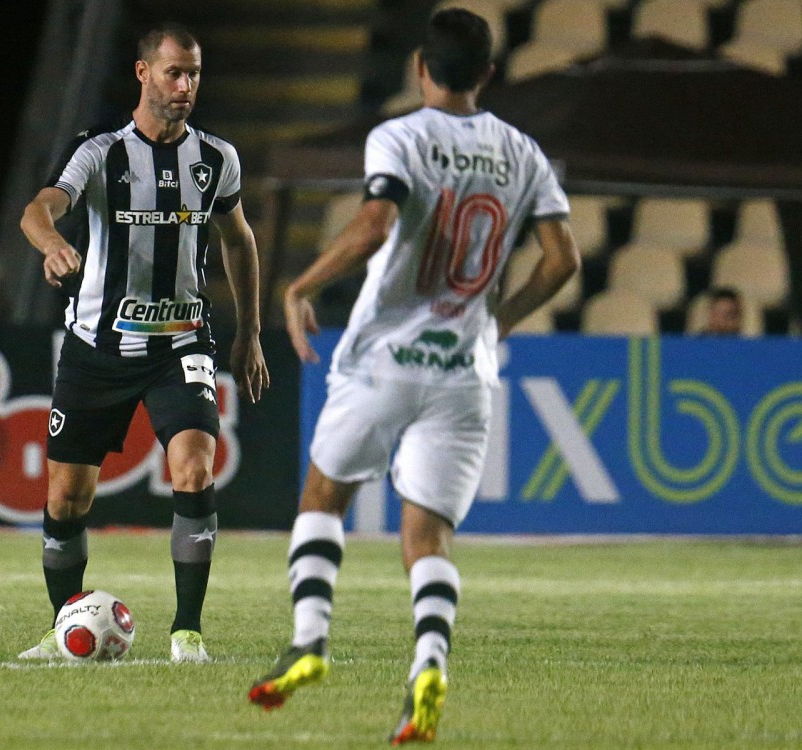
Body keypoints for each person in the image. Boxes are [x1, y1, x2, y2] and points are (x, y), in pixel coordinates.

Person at [246, 8, 580, 744]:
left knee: (323, 496)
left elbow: (372, 226)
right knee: (426, 537)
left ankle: (310, 642)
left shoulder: (400, 134)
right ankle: (428, 665)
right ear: (489, 75)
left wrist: (300, 287)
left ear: (422, 68)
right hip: (464, 372)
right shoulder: (522, 152)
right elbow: (563, 262)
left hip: (385, 358)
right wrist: (500, 320)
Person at [16, 22, 269, 663]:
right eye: (174, 72)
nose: (185, 86)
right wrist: (53, 245)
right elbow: (38, 209)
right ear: (142, 73)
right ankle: (63, 627)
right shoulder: (100, 153)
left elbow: (239, 239)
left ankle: (188, 631)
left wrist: (251, 333)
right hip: (95, 349)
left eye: (194, 74)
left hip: (180, 346)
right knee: (67, 497)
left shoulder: (217, 159)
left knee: (194, 465)